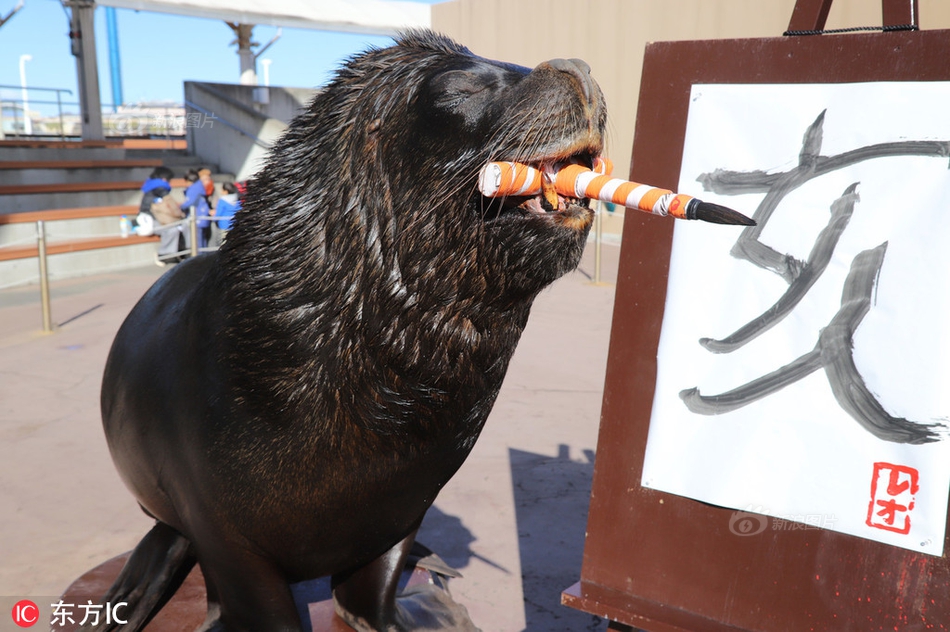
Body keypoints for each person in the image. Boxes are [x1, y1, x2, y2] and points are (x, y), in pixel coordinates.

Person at [139, 167, 186, 265]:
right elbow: (169, 201)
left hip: (155, 217)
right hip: (150, 218)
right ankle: (164, 254)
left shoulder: (150, 185)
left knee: (178, 227)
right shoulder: (159, 187)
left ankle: (173, 253)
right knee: (172, 229)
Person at [180, 169, 212, 250]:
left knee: (198, 242)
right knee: (202, 240)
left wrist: (181, 207)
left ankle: (201, 258)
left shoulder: (194, 189)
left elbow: (190, 202)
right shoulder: (199, 186)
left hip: (198, 217)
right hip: (203, 216)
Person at [212, 181, 242, 246]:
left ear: (226, 191)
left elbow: (218, 214)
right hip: (235, 225)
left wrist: (213, 217)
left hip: (224, 225)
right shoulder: (237, 199)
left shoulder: (222, 200)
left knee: (224, 244)